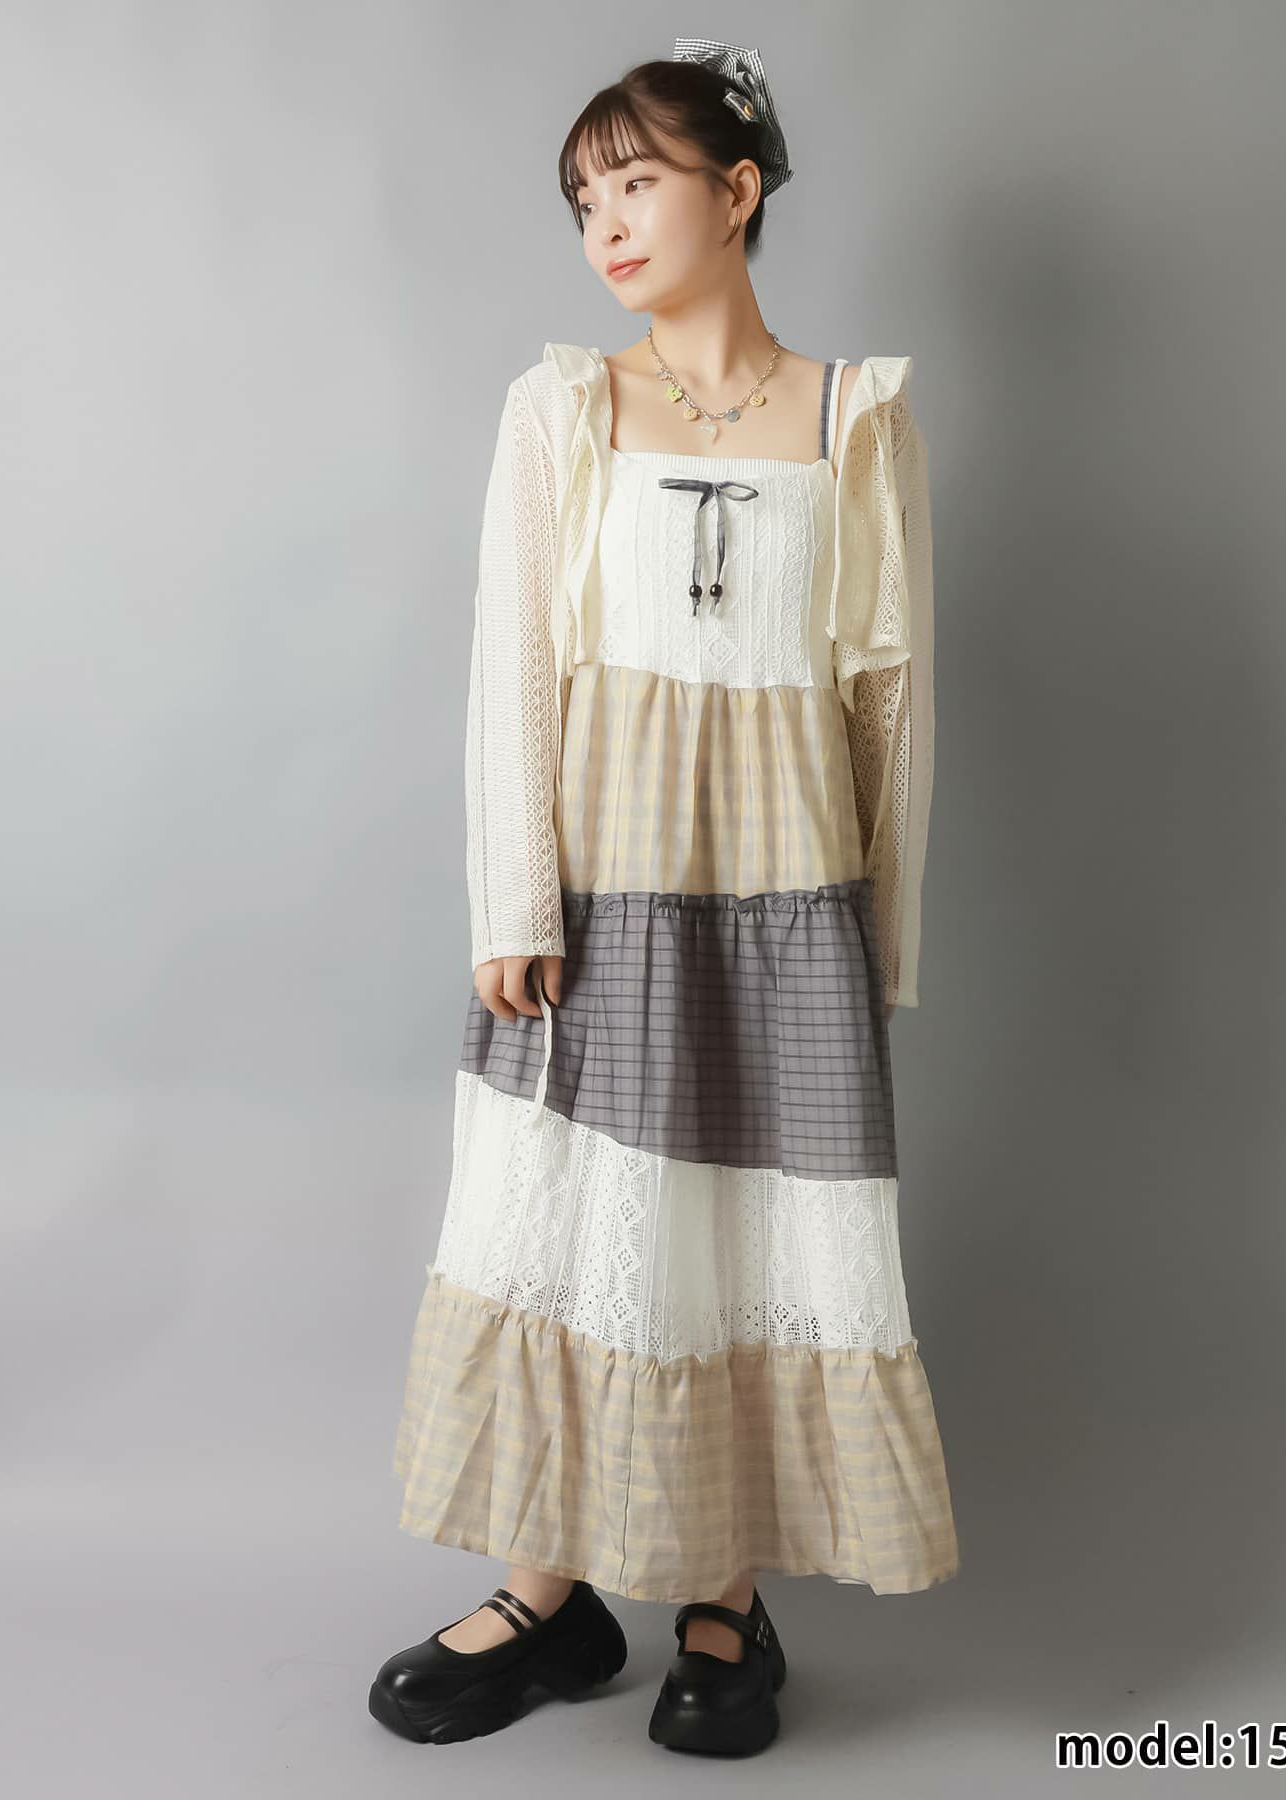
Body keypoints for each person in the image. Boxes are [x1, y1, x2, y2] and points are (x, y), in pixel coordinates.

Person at [369, 37, 959, 1757]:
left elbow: (890, 698)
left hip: (784, 894)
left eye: (636, 183)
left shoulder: (856, 417)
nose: (606, 226)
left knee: (740, 1232)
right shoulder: (562, 408)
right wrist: (514, 901)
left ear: (738, 188)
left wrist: (883, 936)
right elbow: (517, 667)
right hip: (606, 890)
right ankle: (545, 1591)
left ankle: (724, 1594)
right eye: (583, 201)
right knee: (575, 1222)